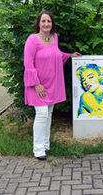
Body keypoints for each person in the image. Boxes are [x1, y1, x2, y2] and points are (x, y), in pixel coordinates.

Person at [24, 10, 81, 160]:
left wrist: (69, 55)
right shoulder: (32, 40)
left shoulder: (54, 38)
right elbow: (28, 64)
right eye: (43, 21)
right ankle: (38, 149)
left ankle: (45, 143)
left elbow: (56, 54)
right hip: (38, 85)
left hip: (52, 84)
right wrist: (36, 84)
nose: (46, 24)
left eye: (49, 21)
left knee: (48, 113)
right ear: (38, 24)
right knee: (42, 114)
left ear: (52, 24)